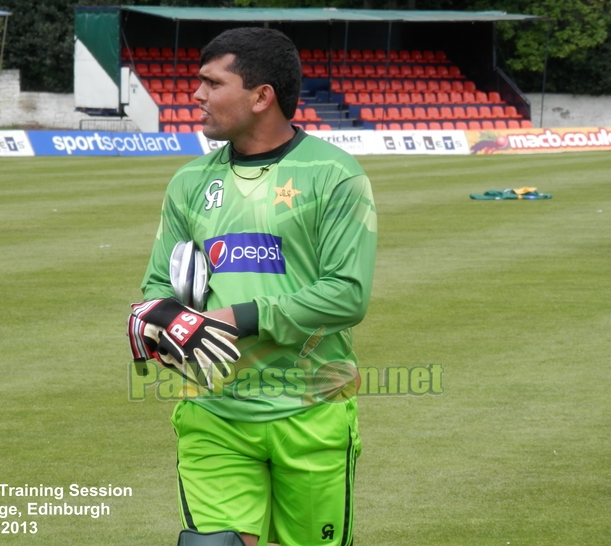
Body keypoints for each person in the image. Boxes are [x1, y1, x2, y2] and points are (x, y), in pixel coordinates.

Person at [135, 27, 377, 546]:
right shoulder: (188, 183)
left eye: (211, 83)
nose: (195, 95)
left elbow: (347, 293)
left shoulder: (334, 174)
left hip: (311, 412)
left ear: (261, 96)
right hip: (214, 413)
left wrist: (235, 318)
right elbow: (159, 286)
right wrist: (161, 323)